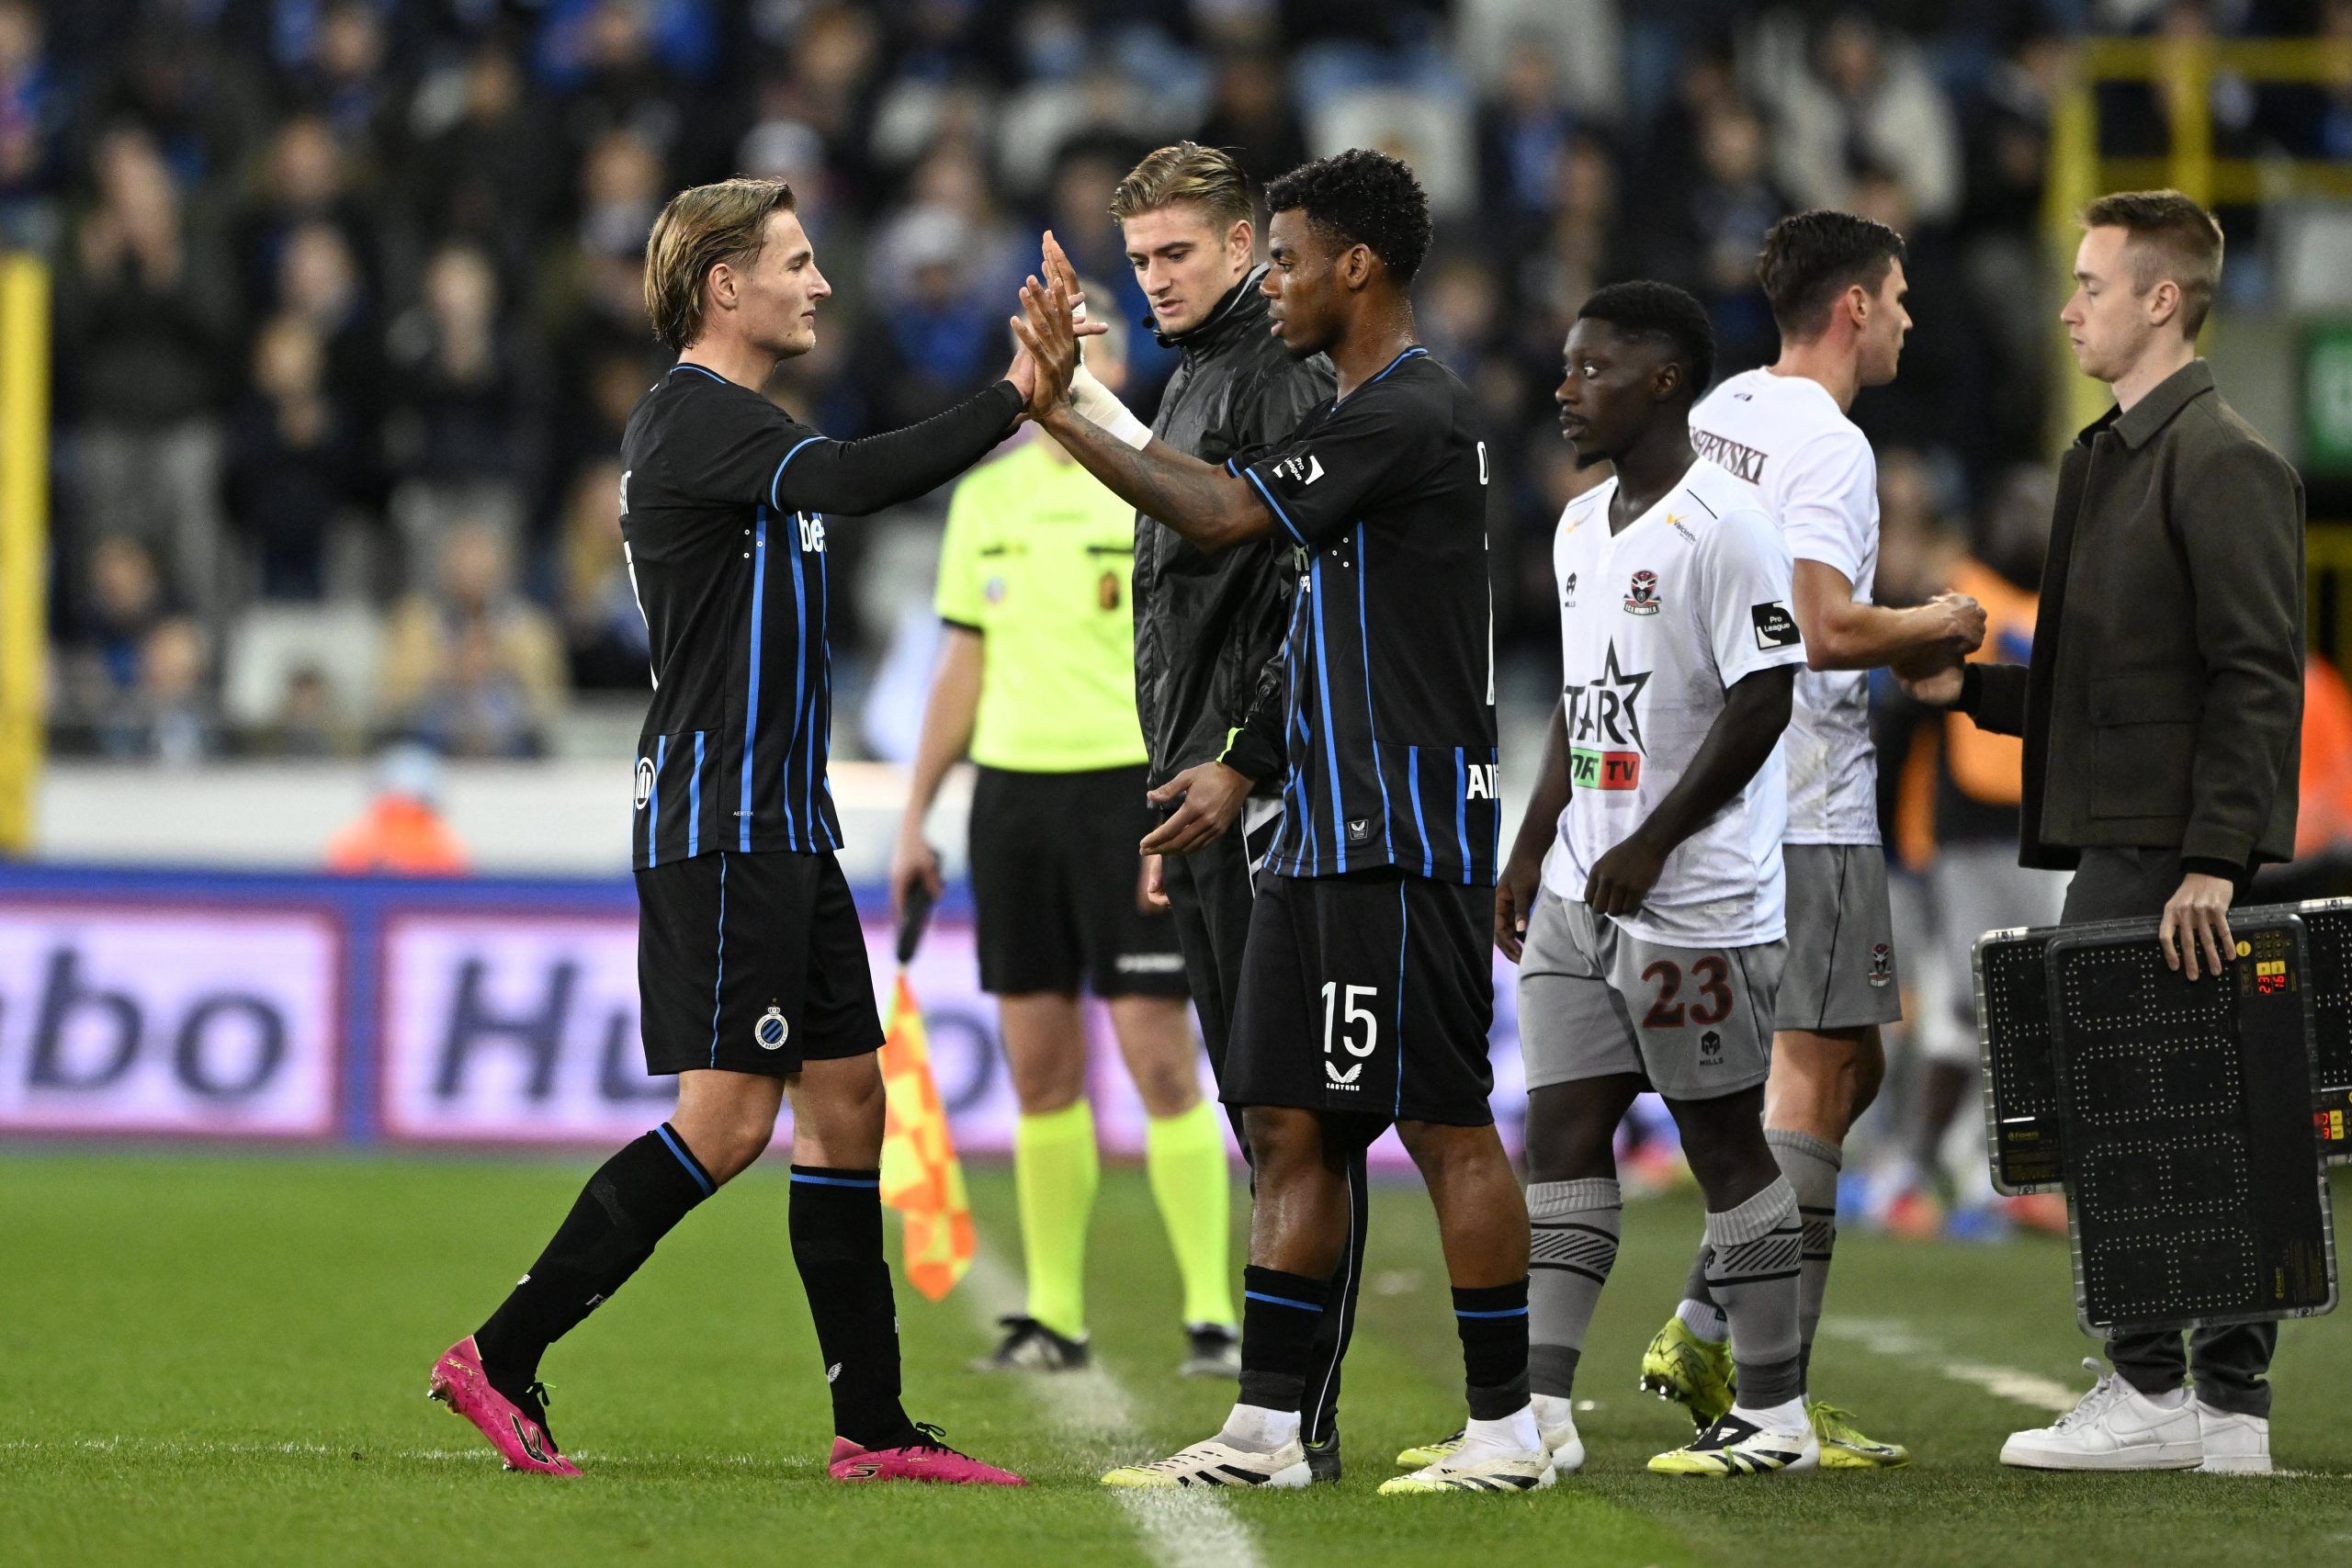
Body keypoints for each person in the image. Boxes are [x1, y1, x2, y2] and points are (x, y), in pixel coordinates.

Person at [426, 175, 1072, 1486]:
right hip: (724, 822)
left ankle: (874, 1426)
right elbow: (859, 474)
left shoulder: (736, 426)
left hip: (784, 819)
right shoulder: (693, 421)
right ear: (727, 286)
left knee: (847, 1100)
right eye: (797, 259)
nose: (822, 282)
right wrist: (1016, 397)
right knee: (726, 1122)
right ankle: (502, 1348)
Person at [1016, 151, 1544, 1495]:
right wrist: (1242, 764)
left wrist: (1063, 411)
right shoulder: (1365, 408)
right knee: (1290, 1123)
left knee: (1442, 1120)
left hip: (1400, 820)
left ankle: (1506, 1426)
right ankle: (1262, 1429)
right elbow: (1306, 626)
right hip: (1316, 819)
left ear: (1354, 265)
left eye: (1291, 258)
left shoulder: (1404, 408)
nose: (1278, 281)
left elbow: (1219, 511)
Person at [1905, 189, 2304, 1474]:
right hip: (2129, 833)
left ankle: (2169, 1390)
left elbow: (2255, 674)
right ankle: (2211, 1406)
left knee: (2164, 1115)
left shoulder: (2228, 458)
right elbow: (2093, 692)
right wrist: (1967, 686)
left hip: (2172, 848)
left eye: (2089, 283)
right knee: (2158, 1112)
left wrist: (2213, 859)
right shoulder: (2101, 458)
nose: (2068, 306)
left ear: (2162, 299)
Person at [1646, 209, 1984, 1469]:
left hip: (1719, 787)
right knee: (1810, 1077)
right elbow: (1825, 626)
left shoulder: (1726, 406)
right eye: (1895, 296)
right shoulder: (1833, 446)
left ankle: (1706, 1324)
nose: (1905, 317)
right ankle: (1763, 1399)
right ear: (1851, 306)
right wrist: (1935, 620)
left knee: (1850, 1068)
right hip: (1807, 793)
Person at [1473, 280, 1819, 1477]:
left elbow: (1765, 695)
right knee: (1562, 1128)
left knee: (1723, 1140)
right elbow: (1583, 707)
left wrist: (1655, 838)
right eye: (1566, 368)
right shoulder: (1577, 526)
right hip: (1581, 884)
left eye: (1591, 368)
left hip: (1697, 897)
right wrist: (1531, 848)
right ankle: (1542, 1412)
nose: (1565, 389)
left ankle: (1777, 1411)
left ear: (1662, 380)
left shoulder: (1729, 520)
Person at [888, 301, 1238, 1380]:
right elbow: (964, 664)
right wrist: (916, 815)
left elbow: (1191, 656)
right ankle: (1053, 1318)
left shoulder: (1153, 481)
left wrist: (1165, 801)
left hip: (1119, 793)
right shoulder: (984, 497)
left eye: (1087, 344)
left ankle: (1212, 1318)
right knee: (1039, 1070)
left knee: (1158, 1061)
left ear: (1115, 363)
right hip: (1013, 801)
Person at [1105, 140, 1358, 1467]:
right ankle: (1280, 1415)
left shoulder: (1276, 375)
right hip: (1199, 786)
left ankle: (1293, 1417)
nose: (1156, 280)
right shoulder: (1198, 378)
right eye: (1140, 259)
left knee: (1293, 1110)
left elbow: (1311, 593)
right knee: (1257, 1108)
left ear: (1247, 241)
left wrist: (1246, 760)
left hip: (1262, 791)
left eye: (1178, 254)